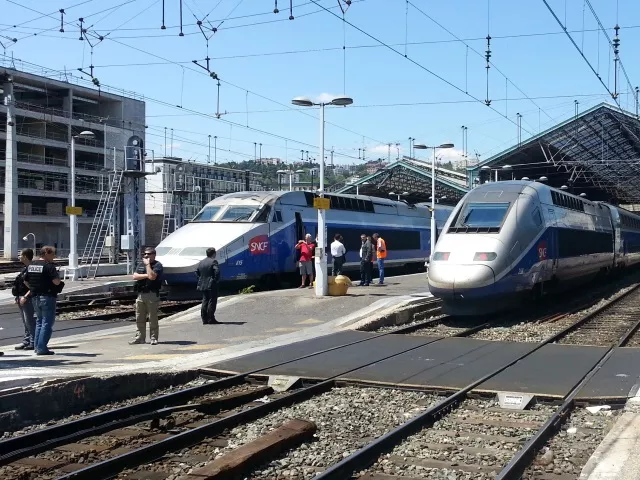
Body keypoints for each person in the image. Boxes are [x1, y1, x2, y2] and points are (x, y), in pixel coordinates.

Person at [23, 246, 64, 356]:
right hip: (47, 297)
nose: (54, 257)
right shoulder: (49, 266)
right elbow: (56, 282)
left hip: (35, 297)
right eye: (53, 254)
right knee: (47, 322)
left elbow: (25, 281)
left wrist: (33, 288)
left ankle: (37, 347)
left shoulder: (31, 265)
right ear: (46, 253)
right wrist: (58, 280)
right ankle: (41, 348)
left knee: (39, 322)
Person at [130, 247, 164, 345]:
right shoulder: (141, 264)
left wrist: (148, 265)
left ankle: (153, 338)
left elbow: (153, 277)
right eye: (144, 254)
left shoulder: (158, 265)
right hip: (141, 294)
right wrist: (146, 275)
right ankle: (140, 338)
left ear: (154, 255)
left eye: (148, 254)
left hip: (152, 294)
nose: (146, 256)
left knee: (152, 318)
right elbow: (135, 276)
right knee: (139, 318)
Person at [13, 249, 35, 352]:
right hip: (21, 297)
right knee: (25, 321)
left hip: (27, 298)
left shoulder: (32, 269)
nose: (19, 257)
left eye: (20, 255)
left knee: (29, 321)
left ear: (25, 256)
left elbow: (34, 286)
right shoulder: (25, 268)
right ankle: (27, 340)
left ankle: (33, 341)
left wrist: (25, 296)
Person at [196, 247, 221, 325]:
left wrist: (201, 279)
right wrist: (215, 280)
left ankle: (204, 319)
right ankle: (211, 318)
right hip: (211, 284)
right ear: (214, 254)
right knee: (212, 301)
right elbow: (217, 271)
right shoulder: (213, 261)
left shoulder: (201, 262)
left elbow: (197, 272)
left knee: (205, 300)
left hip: (202, 284)